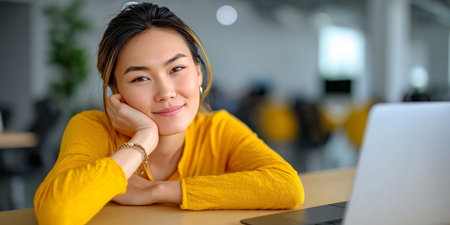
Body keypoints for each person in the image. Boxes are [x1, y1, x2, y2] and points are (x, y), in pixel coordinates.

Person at [34, 2, 304, 225]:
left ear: (198, 72)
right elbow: (57, 213)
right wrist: (143, 138)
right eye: (140, 78)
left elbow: (287, 187)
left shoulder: (218, 129)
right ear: (115, 91)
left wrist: (157, 191)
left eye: (176, 69)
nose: (165, 92)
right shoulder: (92, 127)